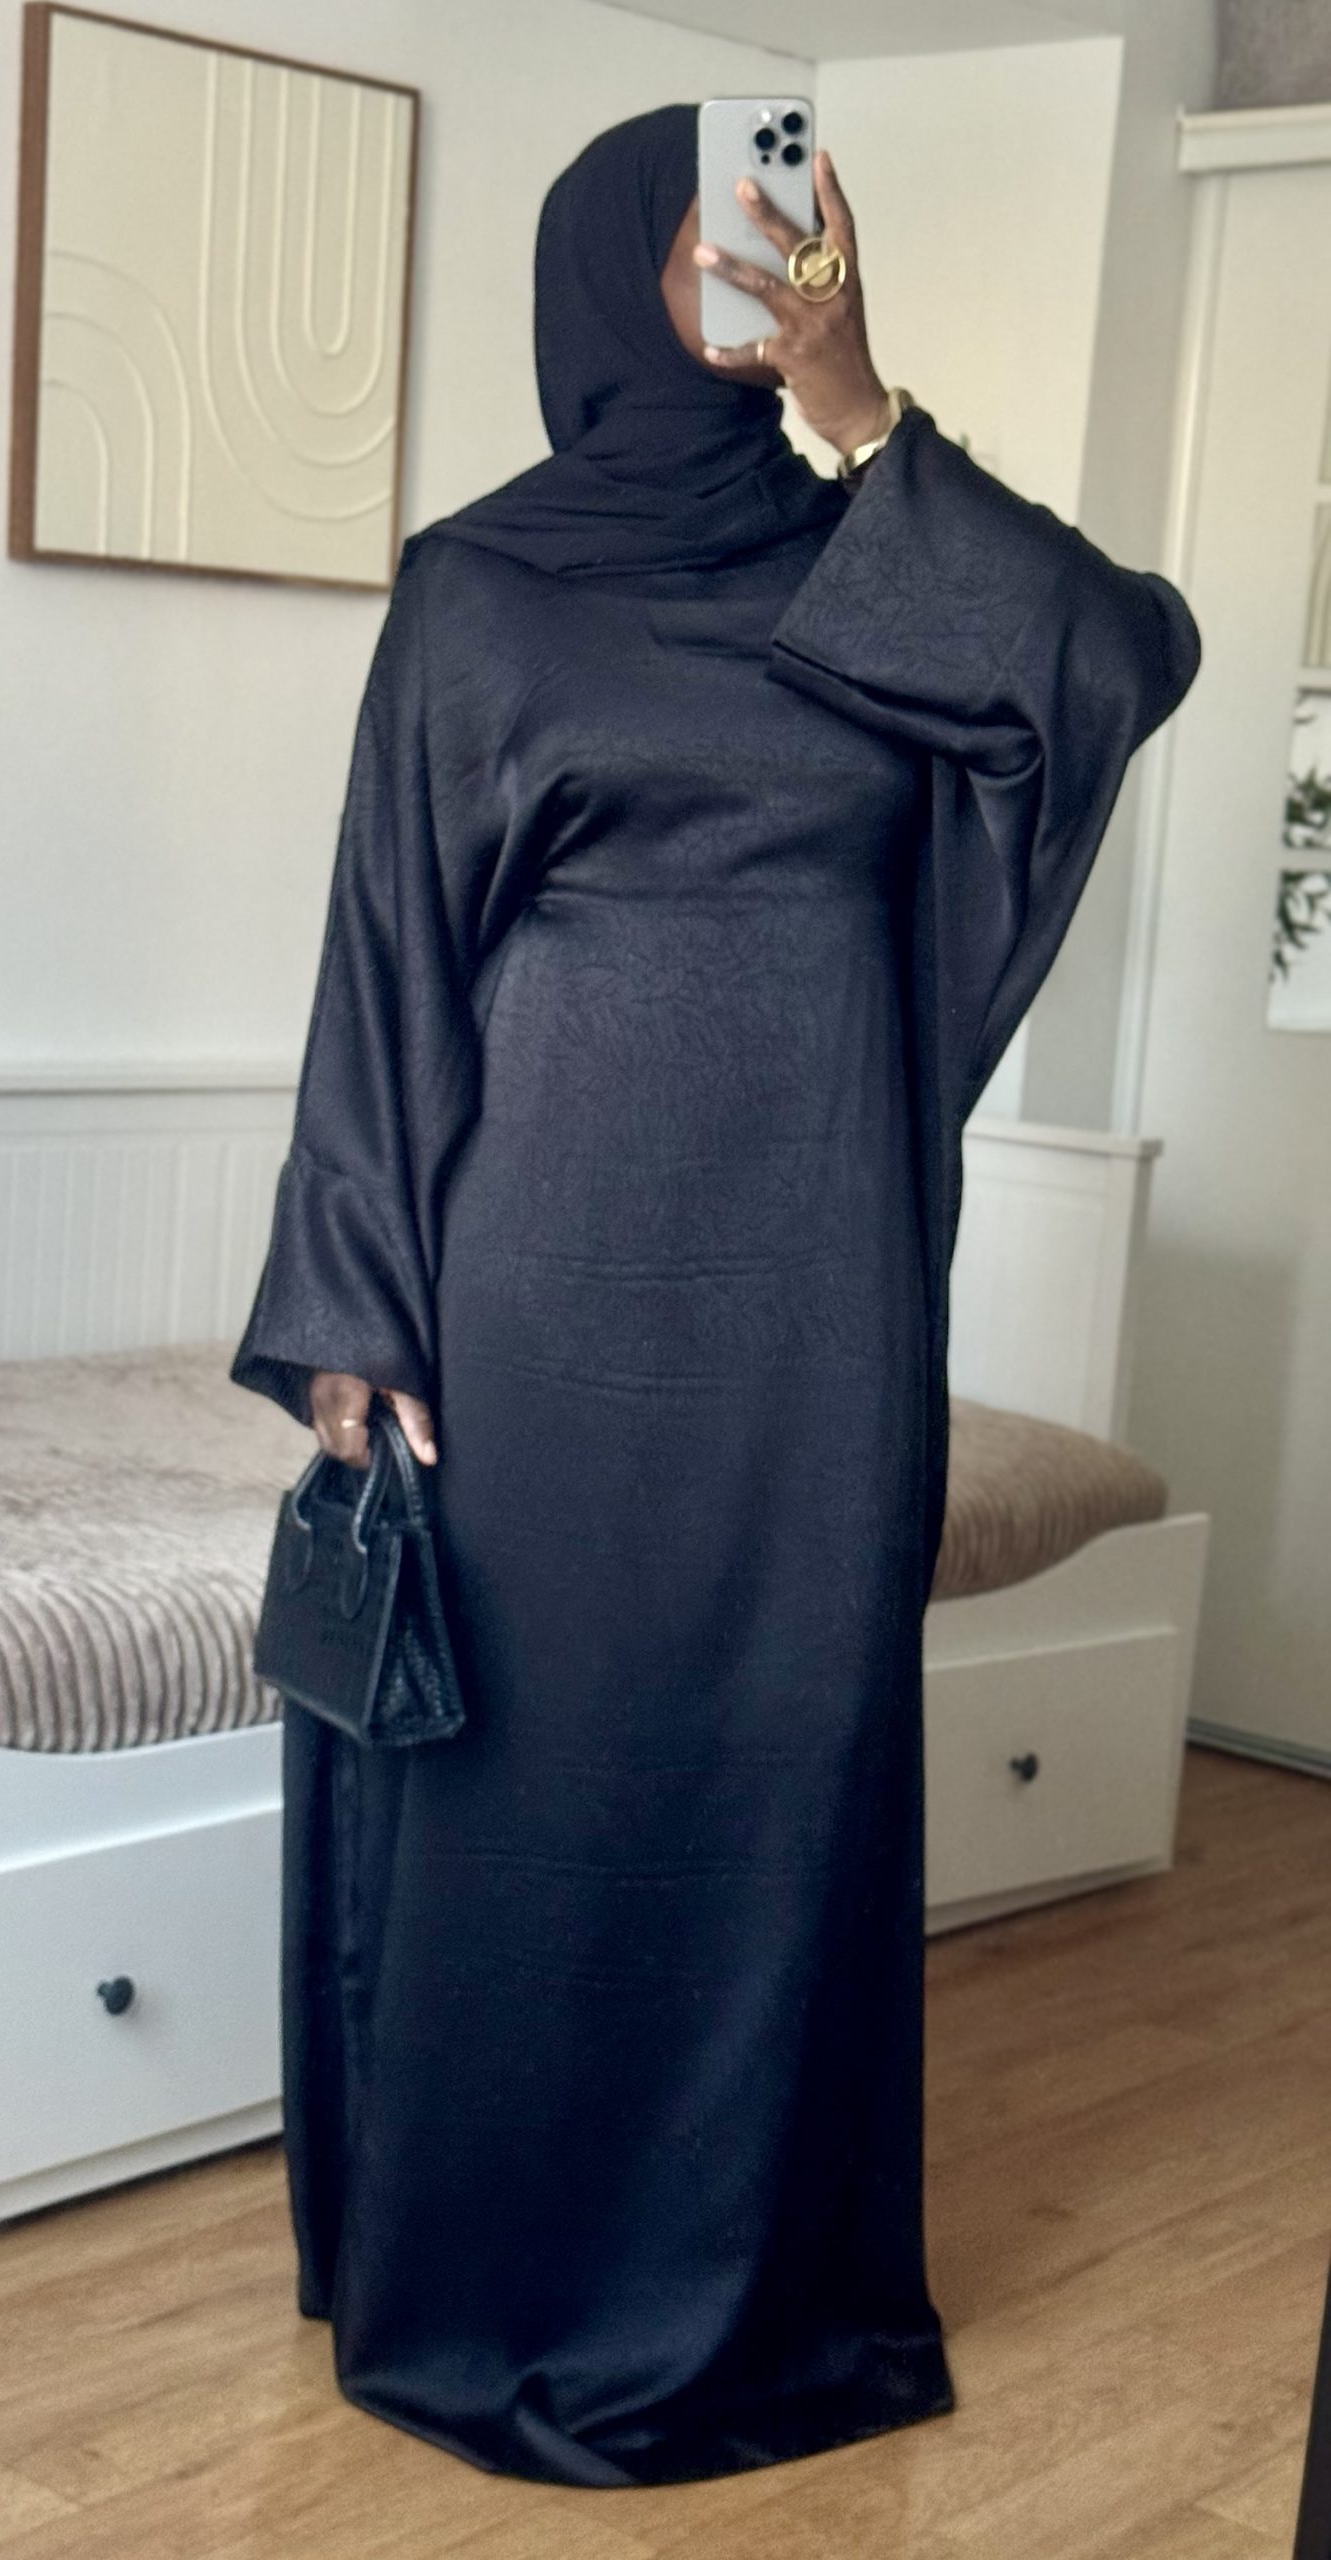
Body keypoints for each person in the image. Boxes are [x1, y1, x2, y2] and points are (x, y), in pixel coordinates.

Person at [230, 102, 1201, 2489]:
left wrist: (862, 408)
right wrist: (358, 1306)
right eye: (711, 233)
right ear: (607, 272)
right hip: (544, 1293)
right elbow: (388, 951)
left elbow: (1119, 659)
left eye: (789, 221)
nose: (760, 259)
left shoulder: (878, 555)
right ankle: (503, 2271)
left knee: (780, 1767)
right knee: (534, 1780)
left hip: (817, 1305)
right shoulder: (483, 590)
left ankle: (756, 2295)